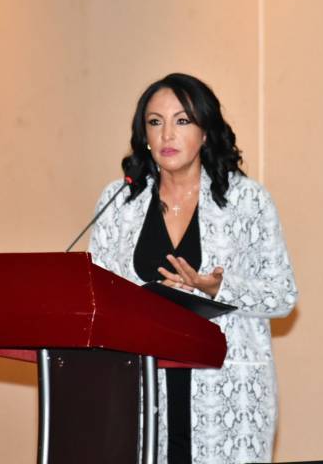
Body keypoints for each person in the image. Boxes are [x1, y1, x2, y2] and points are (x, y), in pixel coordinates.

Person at [88, 73, 298, 464]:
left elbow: (283, 296)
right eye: (155, 122)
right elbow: (96, 294)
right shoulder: (119, 202)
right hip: (143, 389)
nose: (167, 134)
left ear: (205, 132)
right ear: (144, 135)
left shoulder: (247, 201)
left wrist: (218, 288)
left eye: (182, 120)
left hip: (224, 387)